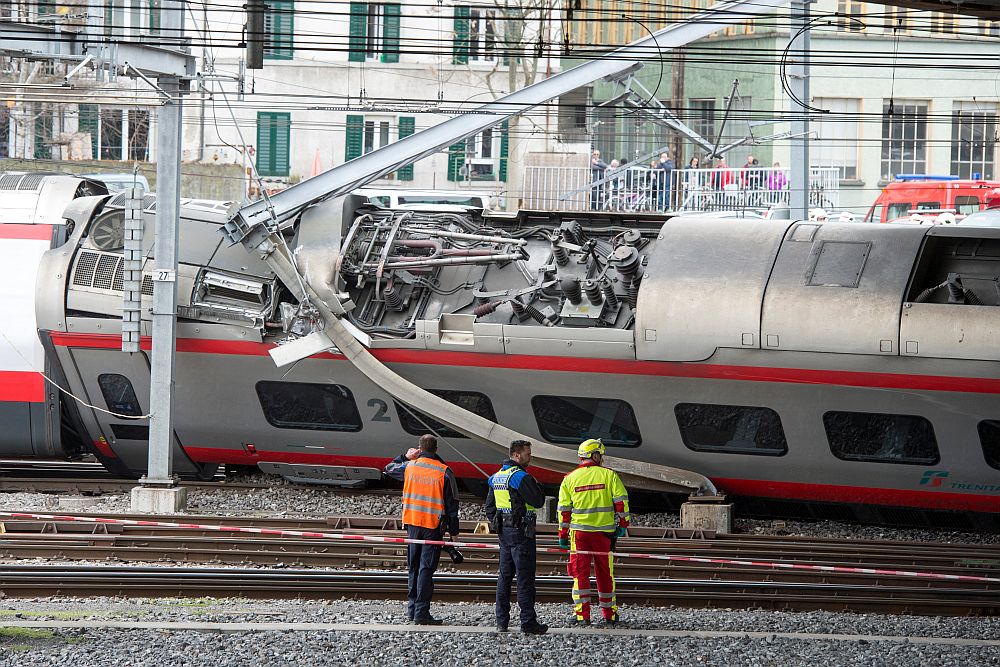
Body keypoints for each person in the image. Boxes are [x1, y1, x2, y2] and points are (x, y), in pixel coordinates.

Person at [384, 434, 460, 625]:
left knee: (414, 567)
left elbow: (388, 469)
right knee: (426, 569)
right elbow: (452, 505)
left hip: (412, 524)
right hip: (432, 526)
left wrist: (405, 456)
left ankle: (412, 611)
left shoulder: (409, 466)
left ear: (419, 448)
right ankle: (421, 613)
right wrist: (454, 532)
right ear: (437, 449)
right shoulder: (444, 471)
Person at [557, 438, 630, 625]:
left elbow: (564, 512)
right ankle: (609, 615)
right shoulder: (609, 476)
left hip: (579, 534)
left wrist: (562, 535)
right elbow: (621, 502)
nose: (602, 458)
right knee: (605, 574)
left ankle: (582, 615)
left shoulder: (569, 479)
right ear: (595, 455)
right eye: (601, 455)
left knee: (579, 574)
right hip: (604, 534)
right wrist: (623, 525)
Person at [484, 440, 549, 635]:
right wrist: (538, 486)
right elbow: (537, 501)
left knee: (504, 577)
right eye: (528, 454)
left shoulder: (496, 477)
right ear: (517, 455)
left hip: (505, 533)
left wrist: (500, 526)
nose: (530, 457)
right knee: (525, 578)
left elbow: (489, 507)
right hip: (522, 533)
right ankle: (528, 622)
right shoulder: (520, 477)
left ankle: (501, 621)